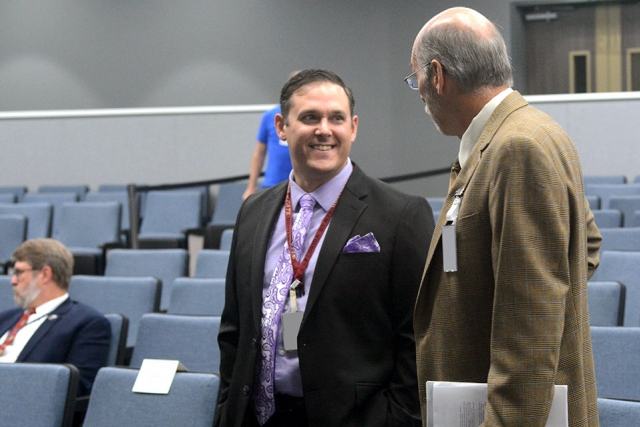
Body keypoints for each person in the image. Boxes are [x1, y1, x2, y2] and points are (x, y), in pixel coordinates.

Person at [408, 7, 602, 426]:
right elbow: (585, 245)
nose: (419, 91)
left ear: (437, 76)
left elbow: (528, 338)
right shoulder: (523, 133)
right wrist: (541, 295)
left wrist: (542, 306)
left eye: (416, 79)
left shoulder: (516, 148)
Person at [216, 69, 434, 427]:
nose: (324, 129)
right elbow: (233, 330)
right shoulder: (253, 212)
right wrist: (226, 408)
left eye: (336, 118)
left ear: (354, 127)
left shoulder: (401, 215)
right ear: (281, 127)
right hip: (258, 417)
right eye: (309, 118)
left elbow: (418, 338)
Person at [0, 238, 111, 396]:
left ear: (45, 274)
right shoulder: (6, 318)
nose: (12, 281)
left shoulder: (86, 323)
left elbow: (77, 387)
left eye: (18, 273)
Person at [243, 73, 299, 200]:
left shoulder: (311, 118)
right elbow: (259, 153)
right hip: (273, 185)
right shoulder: (270, 115)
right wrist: (251, 186)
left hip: (303, 185)